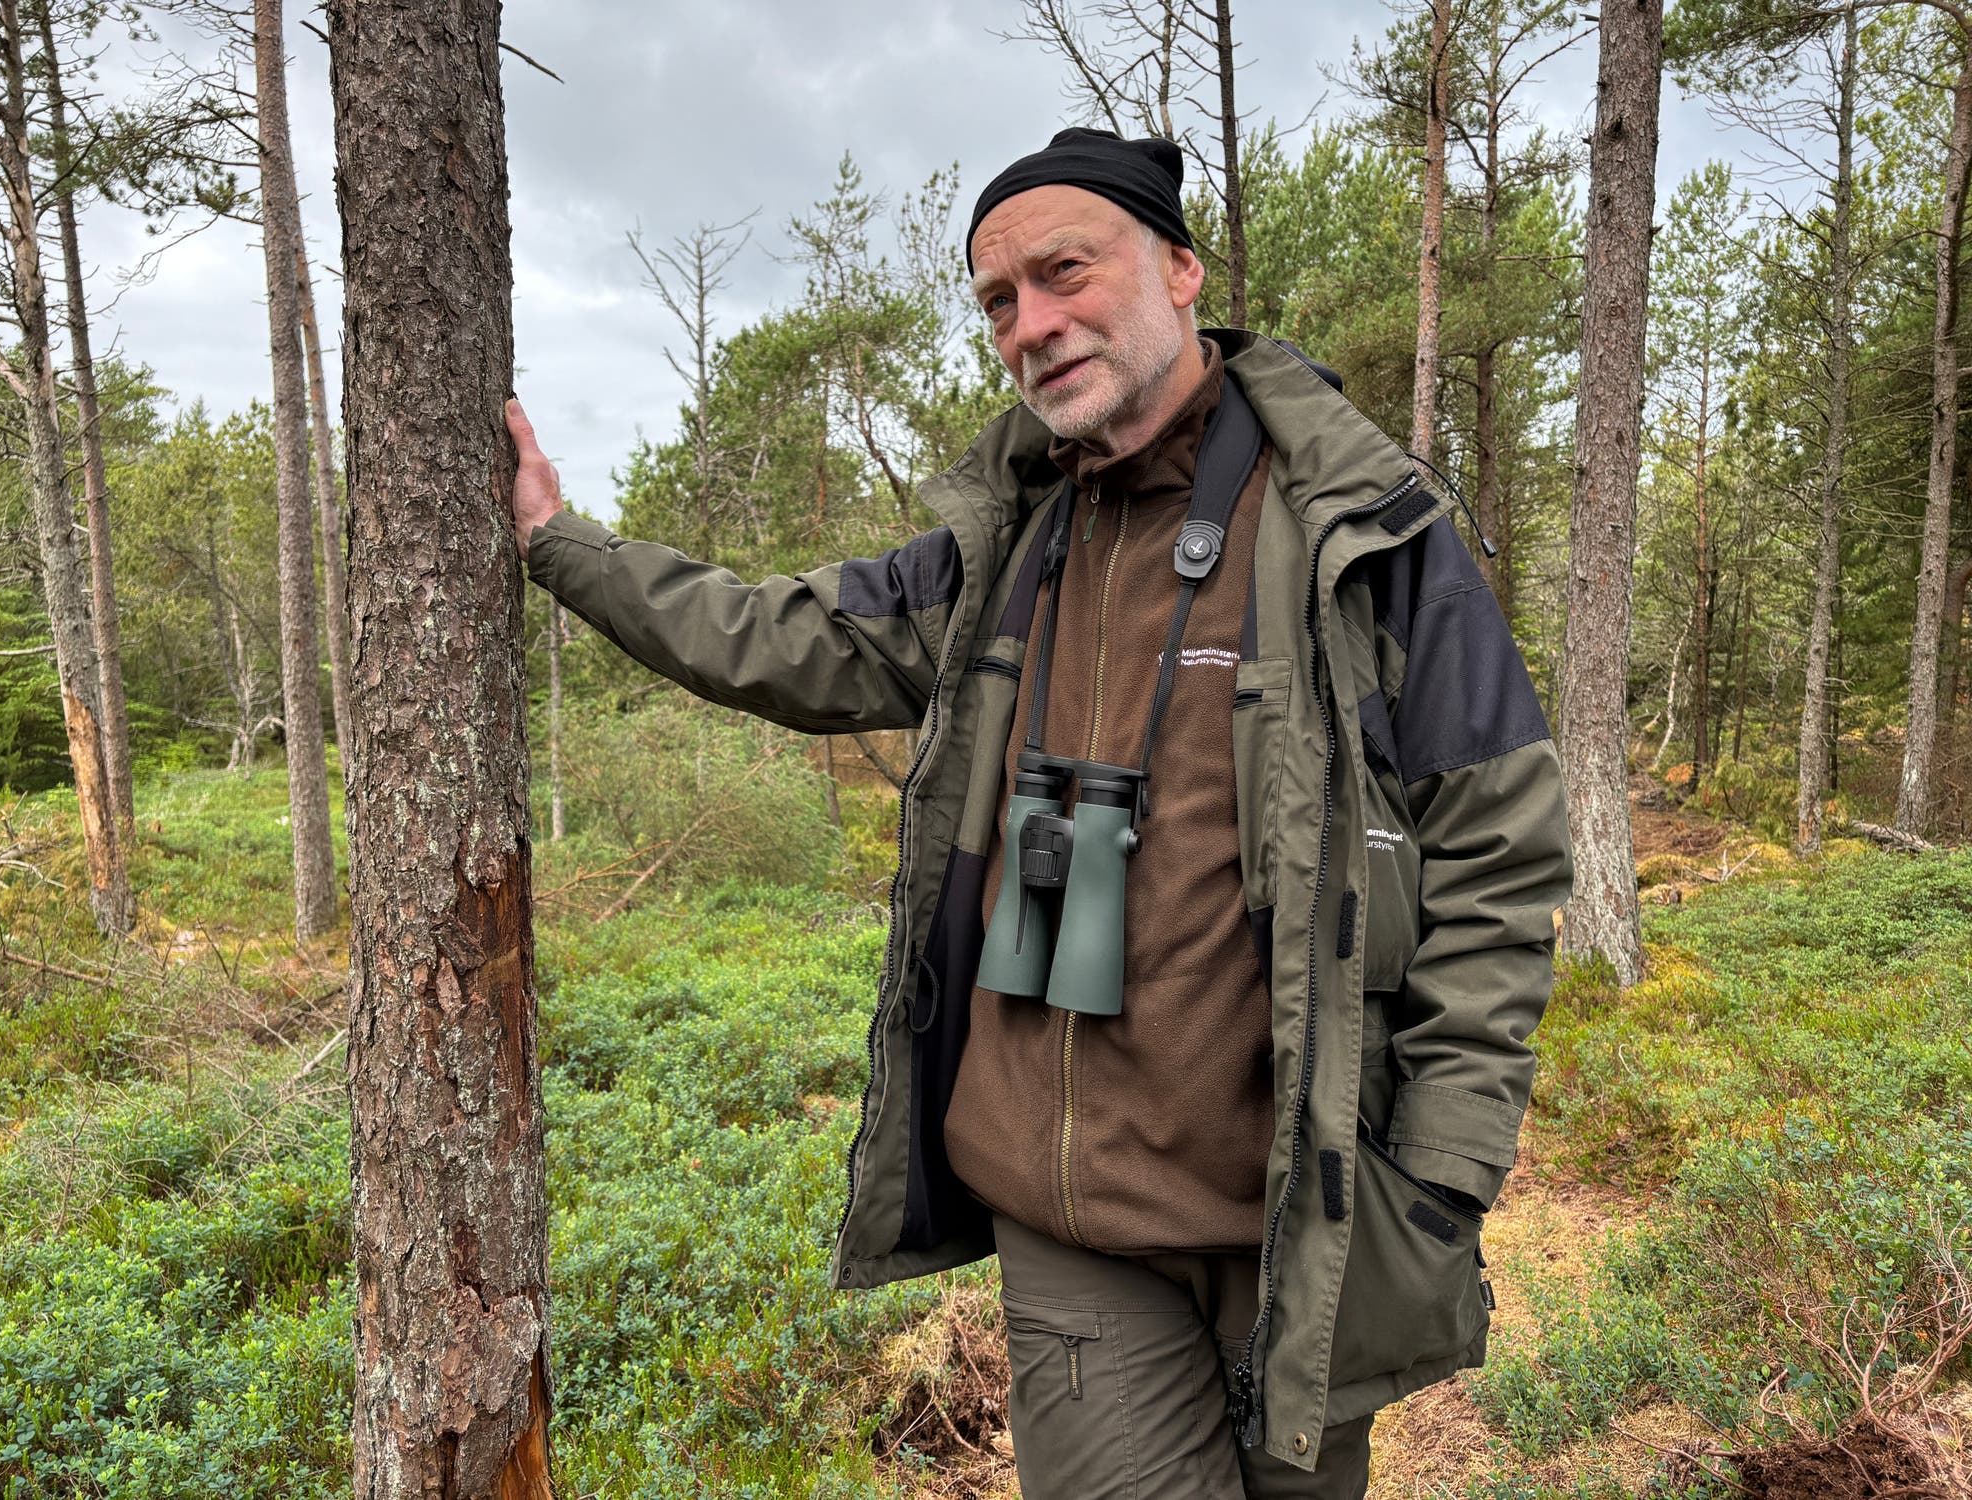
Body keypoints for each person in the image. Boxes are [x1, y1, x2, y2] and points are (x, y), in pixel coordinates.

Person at [511, 127, 1572, 1500]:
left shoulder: (1368, 532)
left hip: (1305, 1212)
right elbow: (779, 636)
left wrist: (1440, 1172)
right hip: (1070, 1215)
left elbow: (1498, 853)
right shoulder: (1005, 544)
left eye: (1066, 272)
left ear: (1181, 269)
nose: (1034, 324)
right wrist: (559, 544)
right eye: (1001, 301)